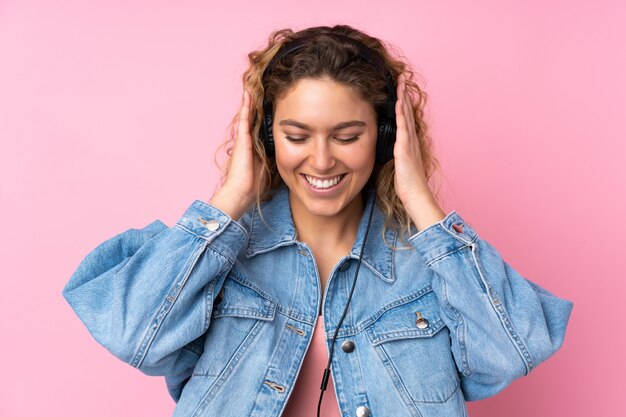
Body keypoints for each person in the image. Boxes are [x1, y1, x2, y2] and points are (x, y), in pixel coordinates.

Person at [62, 24, 573, 417]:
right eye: (297, 135)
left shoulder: (432, 266)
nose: (322, 160)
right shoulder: (217, 256)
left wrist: (419, 201)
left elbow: (511, 352)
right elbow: (133, 336)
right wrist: (231, 196)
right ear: (265, 137)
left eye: (348, 136)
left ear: (388, 137)